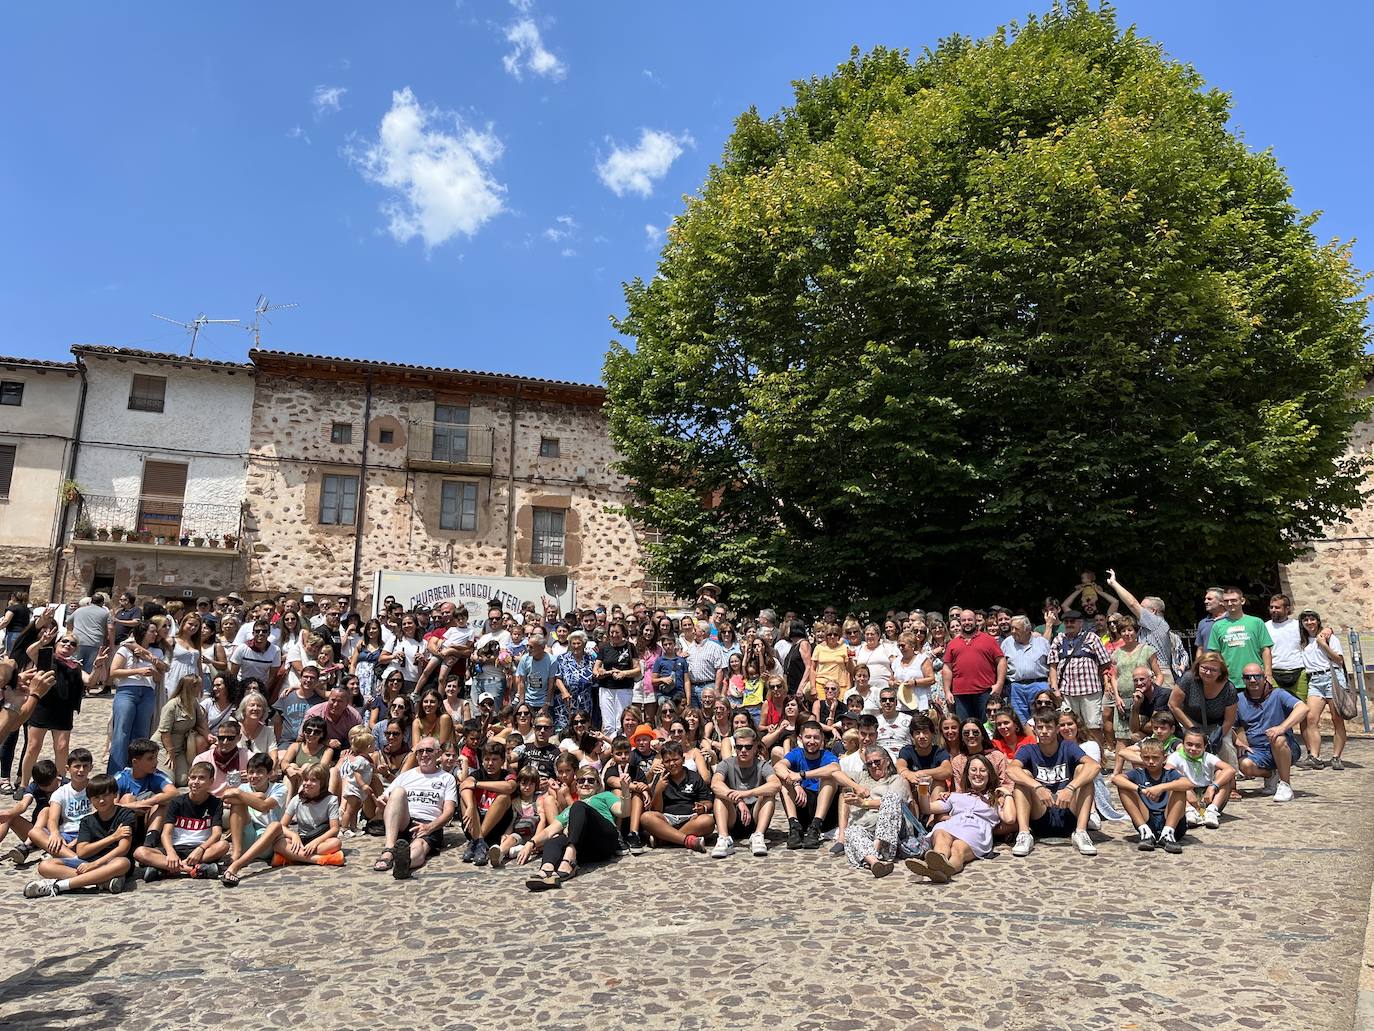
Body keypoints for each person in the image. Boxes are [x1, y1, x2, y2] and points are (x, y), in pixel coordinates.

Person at [905, 753, 1015, 883]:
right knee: (940, 833)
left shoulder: (996, 799)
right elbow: (927, 808)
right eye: (973, 770)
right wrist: (923, 788)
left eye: (983, 770)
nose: (978, 774)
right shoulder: (954, 796)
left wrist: (1007, 794)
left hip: (976, 830)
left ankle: (938, 869)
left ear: (989, 775)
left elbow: (1010, 819)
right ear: (967, 775)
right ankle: (939, 865)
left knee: (957, 849)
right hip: (951, 824)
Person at [22, 773, 134, 898]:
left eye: (106, 795)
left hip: (110, 862)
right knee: (45, 866)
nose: (101, 800)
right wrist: (113, 837)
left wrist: (94, 865)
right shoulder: (87, 820)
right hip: (87, 862)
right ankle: (102, 881)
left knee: (123, 863)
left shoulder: (125, 815)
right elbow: (82, 852)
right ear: (90, 799)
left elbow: (123, 849)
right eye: (96, 797)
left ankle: (59, 886)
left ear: (115, 794)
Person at [1007, 711, 1100, 857]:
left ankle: (1081, 832)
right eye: (1040, 727)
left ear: (1057, 729)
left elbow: (1094, 766)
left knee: (1083, 771)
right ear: (1035, 730)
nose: (1044, 732)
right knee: (1023, 776)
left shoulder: (1068, 746)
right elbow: (1011, 770)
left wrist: (1071, 787)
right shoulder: (1028, 749)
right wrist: (1036, 786)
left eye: (1049, 727)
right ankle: (1024, 834)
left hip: (1068, 812)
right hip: (1041, 813)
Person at [522, 766, 623, 890]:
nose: (586, 784)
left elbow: (623, 811)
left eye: (591, 781)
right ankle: (547, 870)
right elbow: (549, 831)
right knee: (555, 839)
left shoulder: (605, 796)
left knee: (579, 806)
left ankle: (570, 855)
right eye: (581, 781)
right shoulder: (570, 809)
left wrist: (626, 790)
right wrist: (531, 843)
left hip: (604, 839)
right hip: (587, 851)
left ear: (598, 784)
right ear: (576, 785)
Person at [373, 736, 457, 880]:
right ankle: (388, 850)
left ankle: (405, 863)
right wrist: (381, 802)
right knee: (398, 791)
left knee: (419, 846)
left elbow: (449, 811)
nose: (424, 755)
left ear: (437, 753)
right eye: (420, 751)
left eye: (429, 750)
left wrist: (430, 827)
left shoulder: (447, 778)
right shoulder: (405, 776)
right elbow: (386, 799)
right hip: (404, 819)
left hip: (427, 822)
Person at [134, 761, 229, 882]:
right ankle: (192, 870)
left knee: (223, 845)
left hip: (200, 850)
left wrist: (201, 849)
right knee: (139, 852)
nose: (196, 782)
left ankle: (165, 869)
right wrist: (171, 853)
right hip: (176, 848)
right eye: (193, 778)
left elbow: (216, 834)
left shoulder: (216, 803)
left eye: (201, 778)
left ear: (211, 781)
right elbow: (166, 833)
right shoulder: (177, 802)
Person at [775, 721, 858, 849]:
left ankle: (816, 826)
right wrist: (796, 783)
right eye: (808, 737)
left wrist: (802, 775)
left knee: (830, 777)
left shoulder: (827, 755)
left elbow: (834, 768)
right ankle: (794, 826)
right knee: (783, 781)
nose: (812, 741)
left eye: (816, 737)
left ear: (822, 739)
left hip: (825, 812)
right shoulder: (797, 753)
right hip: (802, 804)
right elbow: (778, 766)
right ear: (800, 738)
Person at [1234, 664, 1306, 803]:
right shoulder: (1239, 699)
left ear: (1265, 678)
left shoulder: (1278, 694)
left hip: (1285, 747)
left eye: (1257, 676)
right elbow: (1233, 726)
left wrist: (1282, 727)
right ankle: (1271, 774)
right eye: (1248, 677)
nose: (1253, 680)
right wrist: (1238, 741)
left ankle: (1285, 785)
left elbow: (1302, 708)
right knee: (1244, 765)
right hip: (1258, 751)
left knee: (1278, 738)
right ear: (1243, 680)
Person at [106, 621, 168, 774]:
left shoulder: (156, 652)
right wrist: (137, 671)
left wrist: (153, 672)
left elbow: (160, 676)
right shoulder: (126, 649)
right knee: (122, 731)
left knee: (142, 733)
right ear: (143, 632)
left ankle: (138, 770)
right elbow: (113, 672)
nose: (155, 634)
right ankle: (116, 771)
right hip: (127, 690)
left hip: (147, 692)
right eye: (152, 631)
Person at [840, 745, 912, 877]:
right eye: (869, 763)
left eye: (877, 762)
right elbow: (833, 771)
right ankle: (875, 863)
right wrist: (855, 786)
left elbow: (896, 802)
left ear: (887, 761)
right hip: (866, 832)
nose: (873, 766)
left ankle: (876, 849)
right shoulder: (862, 777)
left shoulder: (896, 780)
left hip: (890, 839)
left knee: (891, 798)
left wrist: (863, 803)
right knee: (851, 831)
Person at [220, 752, 289, 886]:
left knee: (275, 825)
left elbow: (264, 807)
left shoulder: (280, 788)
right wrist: (257, 796)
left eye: (259, 772)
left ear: (269, 774)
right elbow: (226, 797)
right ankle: (236, 853)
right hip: (248, 834)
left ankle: (237, 866)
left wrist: (240, 794)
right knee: (238, 804)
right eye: (251, 772)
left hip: (267, 840)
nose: (254, 776)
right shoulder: (244, 787)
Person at [709, 726, 778, 858]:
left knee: (768, 795)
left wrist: (746, 794)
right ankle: (724, 838)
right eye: (739, 747)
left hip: (756, 815)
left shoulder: (762, 765)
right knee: (719, 796)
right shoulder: (726, 764)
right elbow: (715, 784)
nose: (743, 750)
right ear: (735, 748)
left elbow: (775, 784)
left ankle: (758, 836)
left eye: (748, 747)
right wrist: (738, 800)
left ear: (755, 747)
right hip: (733, 815)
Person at [1111, 738, 1190, 853]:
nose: (1151, 761)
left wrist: (1161, 787)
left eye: (1155, 758)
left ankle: (1168, 834)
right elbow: (1116, 779)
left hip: (1171, 822)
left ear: (1164, 758)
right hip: (1147, 819)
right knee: (1124, 786)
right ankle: (1145, 832)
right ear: (1141, 758)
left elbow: (1188, 783)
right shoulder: (1139, 773)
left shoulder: (1170, 773)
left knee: (1179, 787)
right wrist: (1140, 789)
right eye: (1146, 758)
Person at [1046, 610, 1111, 750]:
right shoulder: (1058, 639)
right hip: (1067, 692)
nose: (1069, 624)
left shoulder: (1092, 638)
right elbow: (1053, 666)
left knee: (1093, 726)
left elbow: (1105, 662)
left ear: (1080, 623)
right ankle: (1071, 756)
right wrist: (1054, 688)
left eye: (1072, 621)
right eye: (1067, 622)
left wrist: (1094, 674)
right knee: (1066, 727)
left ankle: (1098, 758)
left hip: (1090, 690)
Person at [636, 740, 714, 852]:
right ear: (663, 762)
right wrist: (658, 790)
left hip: (690, 819)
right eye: (667, 761)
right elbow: (656, 810)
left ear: (683, 759)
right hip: (667, 819)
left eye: (675, 759)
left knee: (708, 821)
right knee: (646, 817)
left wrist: (704, 807)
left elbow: (707, 801)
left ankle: (665, 838)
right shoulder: (660, 779)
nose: (672, 764)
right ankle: (687, 840)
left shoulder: (695, 777)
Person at [1298, 609, 1347, 770]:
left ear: (1318, 621)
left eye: (1312, 619)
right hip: (1315, 680)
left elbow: (1339, 660)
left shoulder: (1328, 637)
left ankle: (1336, 756)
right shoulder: (1303, 641)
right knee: (1311, 718)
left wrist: (1323, 644)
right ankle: (1315, 756)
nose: (1310, 623)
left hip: (1332, 678)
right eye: (1306, 620)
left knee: (1336, 719)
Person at [273, 765, 344, 867]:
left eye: (313, 780)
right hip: (301, 839)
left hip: (320, 840)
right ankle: (320, 859)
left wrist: (315, 842)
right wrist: (294, 835)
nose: (307, 783)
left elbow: (334, 829)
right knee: (278, 843)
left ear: (322, 783)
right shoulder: (297, 799)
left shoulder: (330, 800)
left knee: (336, 843)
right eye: (305, 780)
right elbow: (282, 826)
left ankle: (291, 857)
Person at [1166, 726, 1236, 830]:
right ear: (1183, 743)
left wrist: (1213, 787)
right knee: (1172, 775)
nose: (1193, 749)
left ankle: (1211, 811)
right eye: (1189, 744)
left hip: (1207, 798)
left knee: (1222, 773)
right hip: (1185, 796)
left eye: (1198, 746)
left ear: (1205, 746)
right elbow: (1167, 771)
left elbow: (1231, 770)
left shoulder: (1208, 757)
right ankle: (1189, 810)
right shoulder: (1176, 756)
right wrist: (1187, 789)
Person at [941, 609, 1006, 722]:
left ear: (976, 621)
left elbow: (1001, 661)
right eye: (964, 620)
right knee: (965, 727)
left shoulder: (989, 640)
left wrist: (999, 684)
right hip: (960, 694)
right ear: (960, 622)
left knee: (988, 726)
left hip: (985, 691)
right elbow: (947, 668)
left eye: (970, 620)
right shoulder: (952, 644)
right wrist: (947, 691)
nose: (967, 622)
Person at [459, 740, 515, 866]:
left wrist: (477, 784)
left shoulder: (506, 775)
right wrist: (470, 807)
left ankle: (478, 842)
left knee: (504, 797)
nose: (490, 763)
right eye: (487, 759)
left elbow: (510, 786)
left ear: (502, 761)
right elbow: (464, 786)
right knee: (466, 795)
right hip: (475, 823)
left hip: (496, 828)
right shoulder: (478, 774)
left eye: (494, 759)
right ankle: (479, 843)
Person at [1207, 587, 1274, 688]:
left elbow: (1266, 650)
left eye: (1233, 600)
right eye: (1226, 601)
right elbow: (1215, 654)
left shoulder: (1256, 622)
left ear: (1242, 601)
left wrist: (1268, 674)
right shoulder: (1217, 626)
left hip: (1255, 677)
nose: (1230, 603)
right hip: (1229, 680)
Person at [158, 673, 210, 786]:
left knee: (183, 780)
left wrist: (208, 735)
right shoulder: (171, 706)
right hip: (165, 747)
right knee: (168, 781)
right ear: (191, 687)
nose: (201, 689)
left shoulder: (194, 702)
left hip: (180, 748)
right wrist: (170, 752)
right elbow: (164, 732)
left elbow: (200, 722)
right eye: (198, 686)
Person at [1002, 615, 1051, 725]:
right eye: (1012, 628)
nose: (1013, 631)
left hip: (1039, 685)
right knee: (1020, 721)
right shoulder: (1006, 643)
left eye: (1017, 629)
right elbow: (1001, 665)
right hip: (1016, 688)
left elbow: (1052, 665)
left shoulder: (1042, 642)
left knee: (1043, 718)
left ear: (1027, 629)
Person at [1265, 594, 1305, 700]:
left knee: (1301, 708)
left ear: (1287, 609)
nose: (1273, 610)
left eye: (1277, 607)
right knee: (1276, 708)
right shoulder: (1264, 627)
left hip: (1298, 672)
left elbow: (1317, 631)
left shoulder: (1299, 625)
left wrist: (1328, 630)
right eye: (1271, 607)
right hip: (1274, 673)